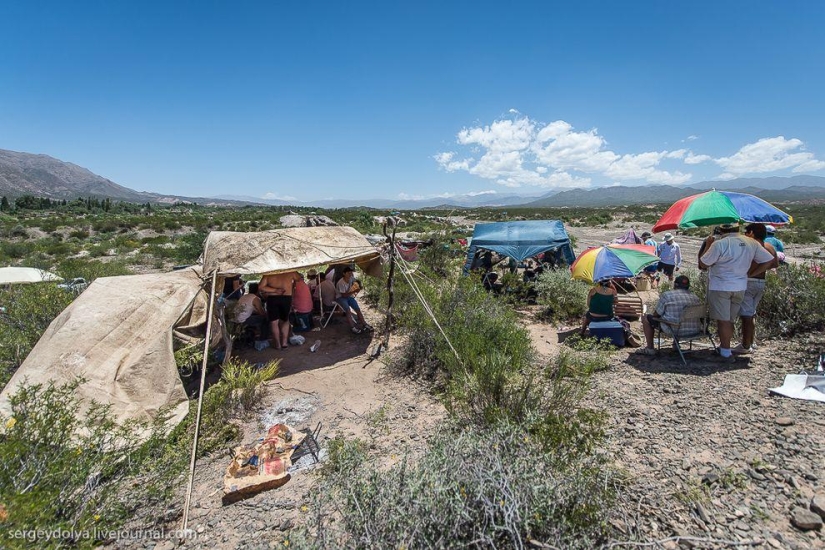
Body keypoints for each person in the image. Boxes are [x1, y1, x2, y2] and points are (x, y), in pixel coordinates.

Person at [699, 224, 775, 361]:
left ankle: (725, 353)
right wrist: (751, 273)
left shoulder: (720, 244)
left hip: (721, 286)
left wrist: (708, 245)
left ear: (722, 230)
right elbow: (769, 260)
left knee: (723, 321)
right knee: (730, 320)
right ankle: (725, 347)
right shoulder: (751, 242)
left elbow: (704, 264)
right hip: (740, 286)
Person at [734, 223, 778, 354]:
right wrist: (761, 269)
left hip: (749, 281)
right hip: (761, 281)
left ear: (752, 233)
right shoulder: (770, 247)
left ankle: (746, 345)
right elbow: (775, 263)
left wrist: (751, 272)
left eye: (747, 232)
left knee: (746, 315)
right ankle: (750, 342)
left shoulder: (751, 247)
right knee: (751, 312)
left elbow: (769, 262)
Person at [639, 275, 702, 354]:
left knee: (646, 318)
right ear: (688, 286)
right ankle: (676, 345)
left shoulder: (667, 295)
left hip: (675, 330)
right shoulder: (695, 297)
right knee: (677, 318)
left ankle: (650, 349)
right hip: (694, 330)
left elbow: (656, 315)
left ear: (675, 285)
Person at [259, 271, 301, 350]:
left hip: (273, 298)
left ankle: (278, 344)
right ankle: (284, 343)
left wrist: (275, 290)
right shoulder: (290, 271)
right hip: (286, 297)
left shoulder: (269, 273)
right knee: (285, 320)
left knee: (274, 322)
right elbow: (298, 278)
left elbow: (261, 287)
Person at [335, 266, 373, 334]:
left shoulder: (351, 278)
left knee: (357, 309)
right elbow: (343, 295)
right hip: (340, 297)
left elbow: (356, 282)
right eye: (348, 273)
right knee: (348, 311)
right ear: (344, 273)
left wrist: (358, 286)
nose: (350, 274)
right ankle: (353, 328)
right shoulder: (340, 283)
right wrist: (354, 291)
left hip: (348, 296)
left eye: (351, 273)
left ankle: (364, 324)